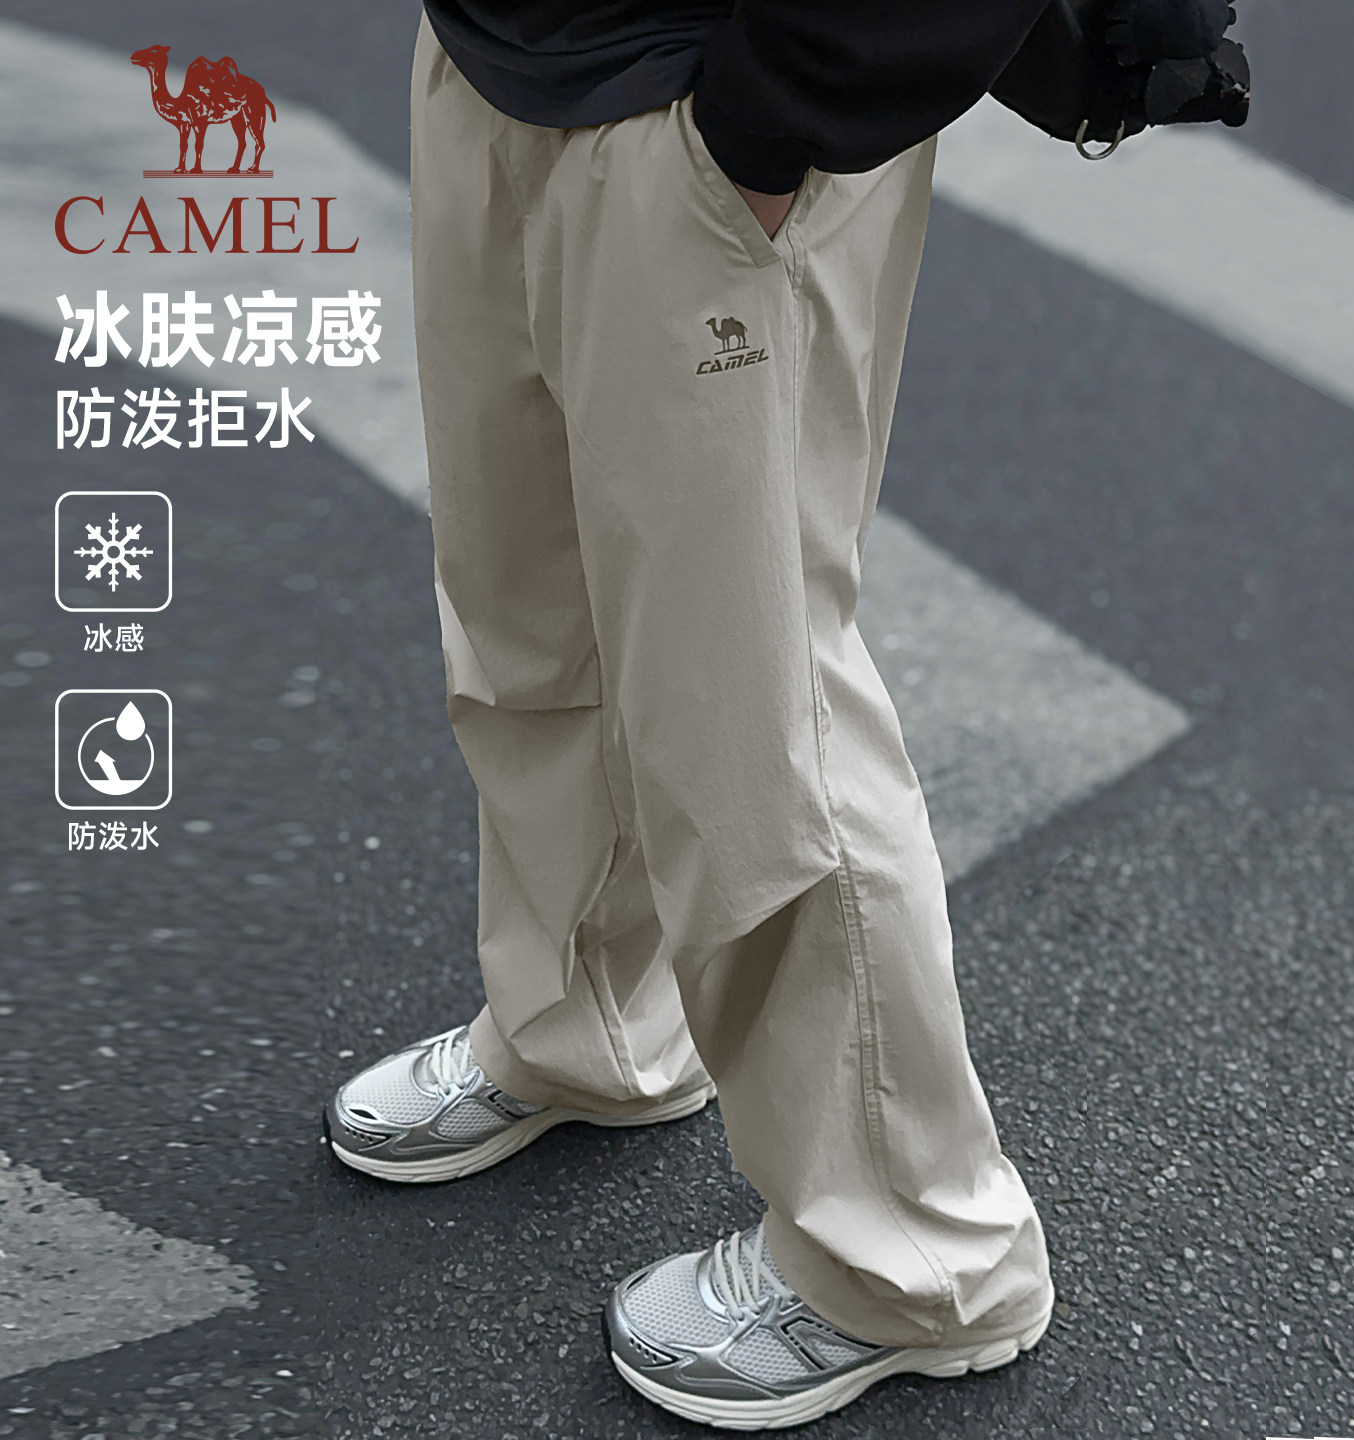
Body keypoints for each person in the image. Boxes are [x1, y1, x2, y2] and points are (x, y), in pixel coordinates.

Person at [324, 1, 1061, 1427]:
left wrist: (783, 109)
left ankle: (917, 1252)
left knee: (751, 692)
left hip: (711, 106)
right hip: (500, 52)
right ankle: (587, 1021)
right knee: (529, 603)